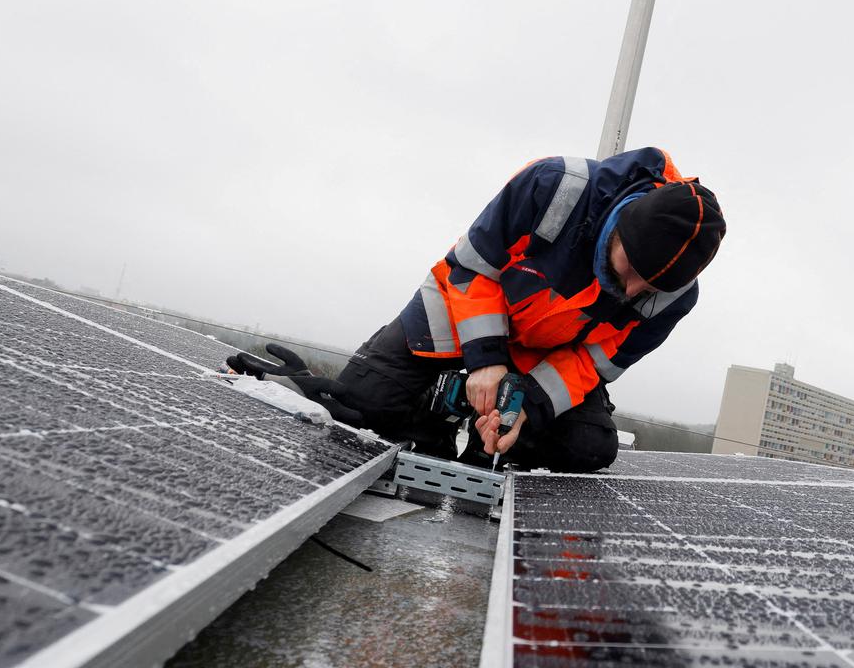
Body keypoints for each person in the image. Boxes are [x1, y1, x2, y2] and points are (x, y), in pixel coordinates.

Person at [229, 148, 724, 472]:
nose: (632, 289)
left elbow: (592, 364)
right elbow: (471, 269)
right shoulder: (556, 187)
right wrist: (486, 358)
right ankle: (433, 410)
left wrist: (522, 410)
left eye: (650, 285)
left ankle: (494, 442)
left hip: (545, 354)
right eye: (631, 267)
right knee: (365, 406)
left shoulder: (674, 299)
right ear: (619, 229)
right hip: (463, 311)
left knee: (588, 448)